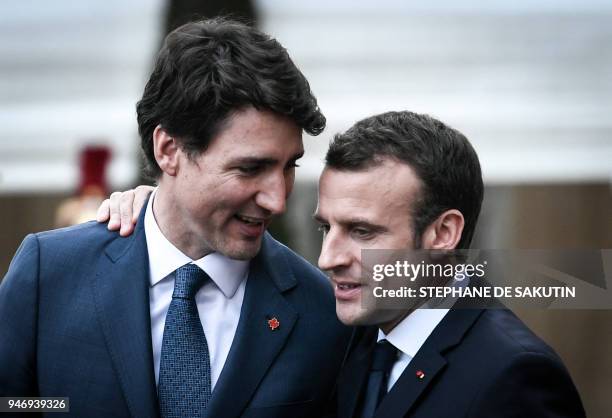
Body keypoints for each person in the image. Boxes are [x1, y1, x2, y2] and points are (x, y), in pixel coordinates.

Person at [105, 111, 586, 417]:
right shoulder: (344, 333)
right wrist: (165, 208)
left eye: (362, 232)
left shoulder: (514, 374)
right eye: (325, 227)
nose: (328, 258)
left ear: (443, 233)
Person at [0, 18, 350, 418]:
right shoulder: (50, 273)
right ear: (169, 150)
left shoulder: (322, 311)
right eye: (250, 168)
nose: (277, 200)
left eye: (290, 167)